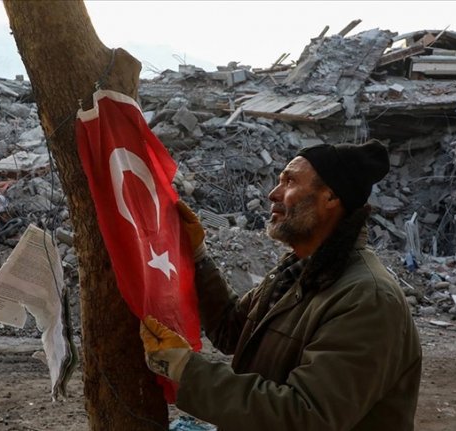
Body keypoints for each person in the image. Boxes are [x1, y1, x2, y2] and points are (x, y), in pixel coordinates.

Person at [140, 140, 422, 430]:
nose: (273, 194)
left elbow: (304, 415)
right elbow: (231, 330)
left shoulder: (367, 297)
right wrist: (198, 257)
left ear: (331, 198)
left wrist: (186, 371)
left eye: (289, 181)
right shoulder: (298, 271)